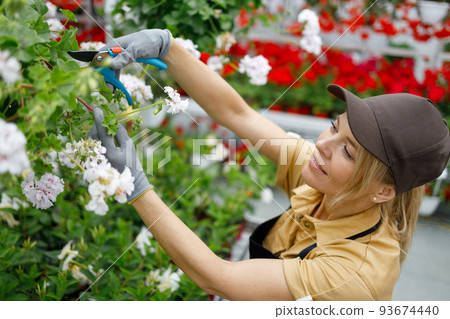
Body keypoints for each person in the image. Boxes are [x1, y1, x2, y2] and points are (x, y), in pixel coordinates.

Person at [88, 29, 450, 301]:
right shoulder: (327, 178)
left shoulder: (352, 273)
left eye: (349, 152)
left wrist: (131, 181)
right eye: (334, 127)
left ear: (383, 190)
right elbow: (238, 114)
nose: (321, 145)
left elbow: (218, 277)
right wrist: (167, 47)